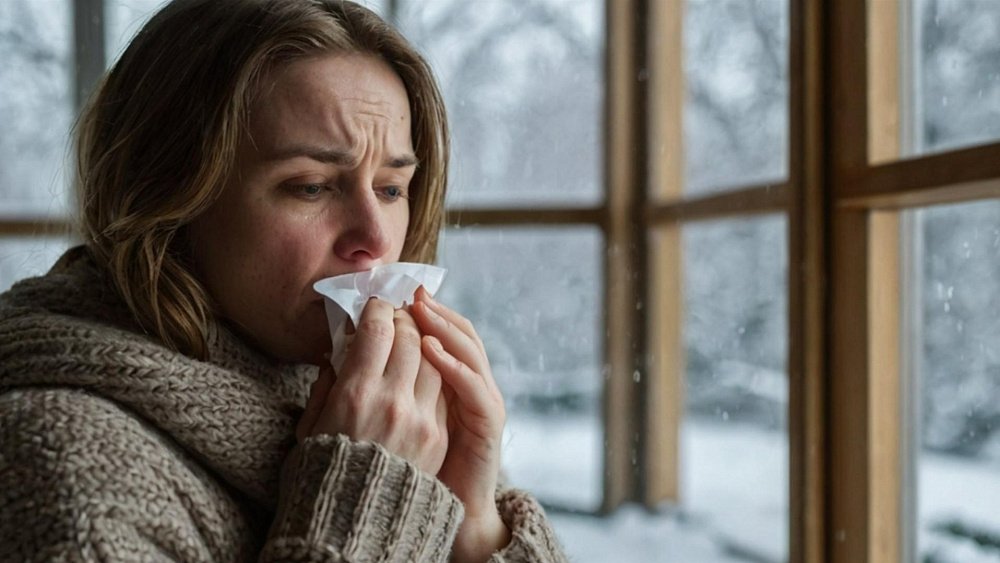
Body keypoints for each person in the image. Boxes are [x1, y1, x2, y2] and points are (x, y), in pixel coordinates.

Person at [0, 1, 568, 561]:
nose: (374, 236)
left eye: (392, 189)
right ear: (166, 205)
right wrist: (368, 507)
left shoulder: (397, 420)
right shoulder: (62, 473)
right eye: (311, 186)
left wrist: (474, 531)